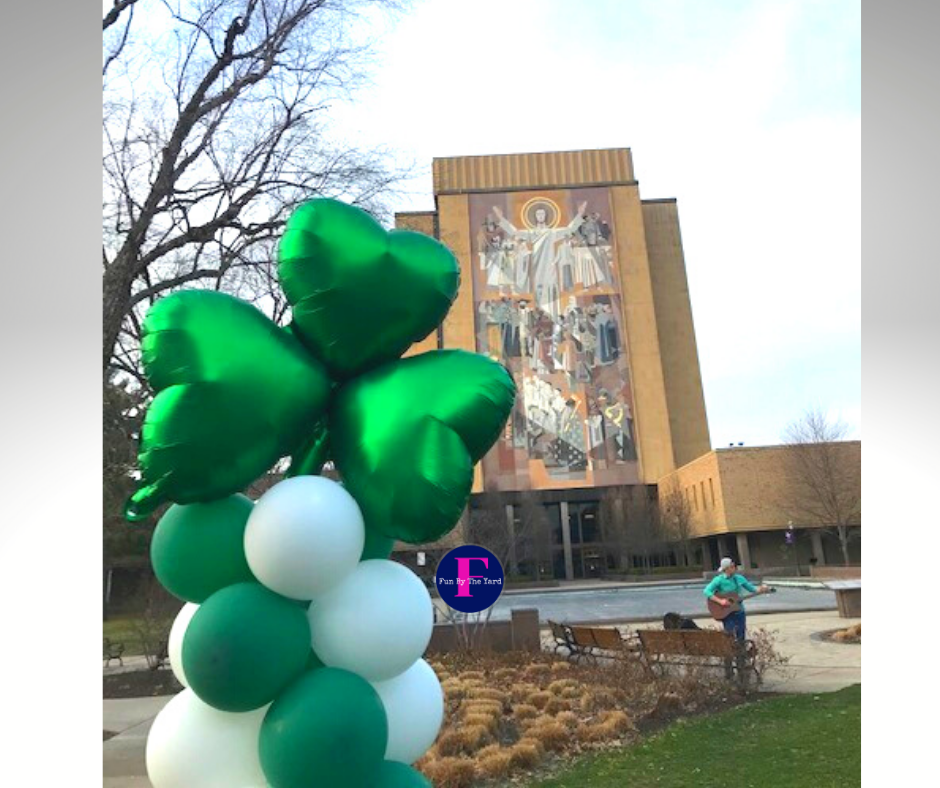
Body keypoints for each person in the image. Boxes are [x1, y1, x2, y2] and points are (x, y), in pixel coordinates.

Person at [703, 557, 770, 642]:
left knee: (741, 634)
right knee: (730, 635)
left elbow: (752, 588)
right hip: (726, 612)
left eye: (734, 566)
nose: (734, 568)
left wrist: (761, 589)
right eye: (732, 566)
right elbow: (706, 591)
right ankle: (731, 652)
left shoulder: (739, 578)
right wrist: (720, 601)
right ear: (726, 569)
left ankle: (741, 653)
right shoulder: (718, 580)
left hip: (739, 610)